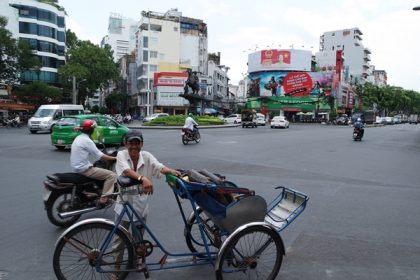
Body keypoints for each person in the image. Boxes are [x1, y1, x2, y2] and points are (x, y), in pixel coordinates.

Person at [112, 130, 181, 270]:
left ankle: (137, 261)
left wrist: (171, 171)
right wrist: (142, 178)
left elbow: (158, 166)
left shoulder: (147, 156)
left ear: (141, 144)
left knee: (139, 238)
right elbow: (125, 170)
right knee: (119, 240)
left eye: (137, 143)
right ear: (126, 144)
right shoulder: (121, 155)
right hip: (124, 205)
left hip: (140, 207)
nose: (134, 146)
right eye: (131, 143)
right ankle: (116, 268)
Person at [70, 119, 117, 206]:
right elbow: (101, 156)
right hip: (84, 170)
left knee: (97, 167)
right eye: (94, 129)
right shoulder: (87, 141)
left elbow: (92, 150)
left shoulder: (79, 138)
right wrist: (115, 158)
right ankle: (104, 198)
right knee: (112, 175)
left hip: (76, 168)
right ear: (91, 130)